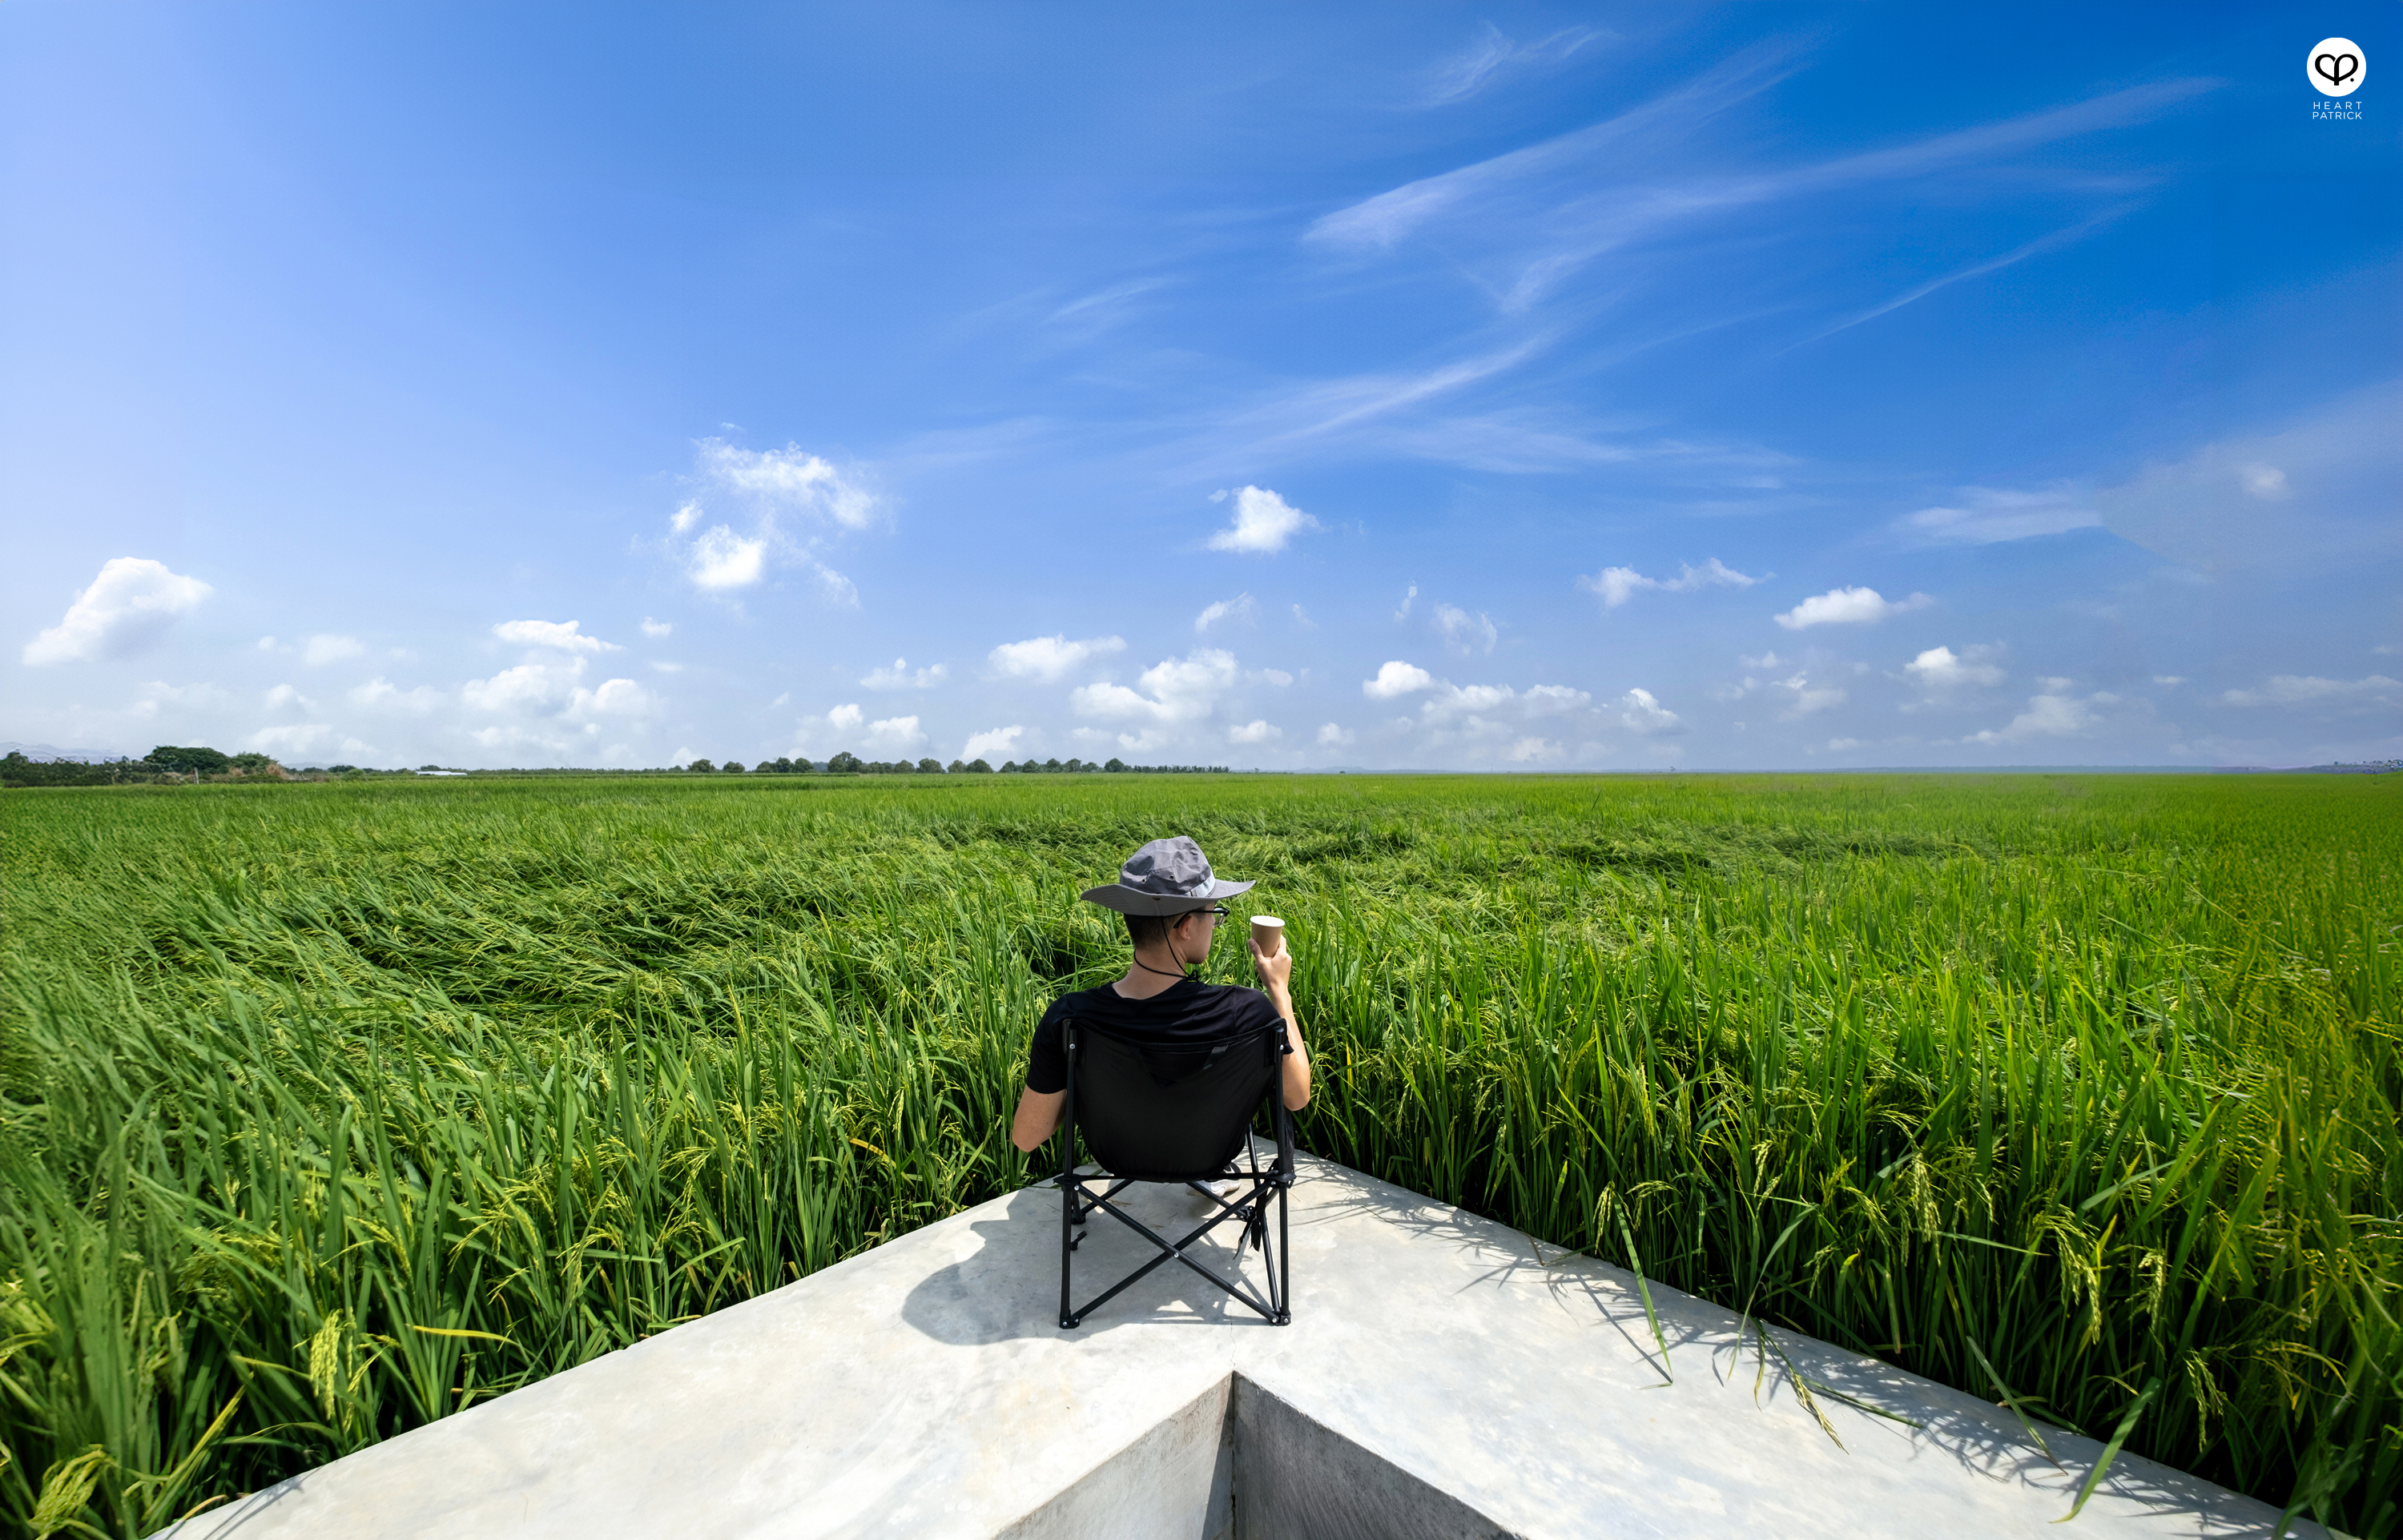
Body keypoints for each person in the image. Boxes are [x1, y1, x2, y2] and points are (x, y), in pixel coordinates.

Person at [1008, 835, 1310, 1160]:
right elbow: (1297, 1097)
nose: (1215, 923)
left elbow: (1027, 1137)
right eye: (1214, 912)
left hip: (1117, 1159)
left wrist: (1086, 1084)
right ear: (1186, 927)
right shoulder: (1246, 1011)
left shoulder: (1070, 1017)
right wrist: (1279, 990)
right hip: (1211, 1158)